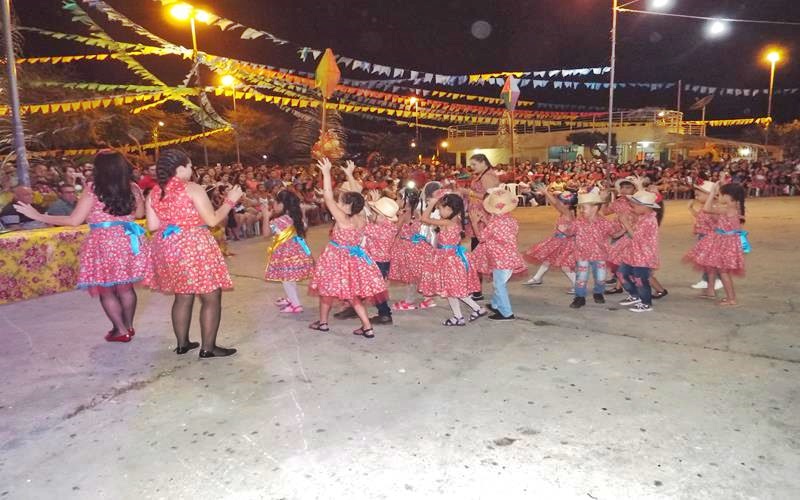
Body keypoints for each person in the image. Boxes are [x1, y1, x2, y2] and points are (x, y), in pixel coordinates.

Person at [14, 151, 149, 342]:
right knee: (126, 289)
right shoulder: (132, 187)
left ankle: (120, 330)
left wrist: (40, 216)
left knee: (107, 289)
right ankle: (128, 326)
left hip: (103, 242)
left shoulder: (93, 189)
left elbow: (74, 220)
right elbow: (139, 214)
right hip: (127, 240)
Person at [147, 149, 243, 358]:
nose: (191, 170)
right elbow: (212, 220)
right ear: (180, 168)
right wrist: (230, 200)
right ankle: (208, 348)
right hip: (193, 245)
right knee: (211, 296)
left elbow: (153, 225)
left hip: (167, 246)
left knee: (183, 295)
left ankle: (182, 344)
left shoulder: (155, 191)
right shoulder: (192, 188)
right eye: (190, 166)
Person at [308, 158, 387, 338]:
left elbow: (328, 196)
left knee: (326, 291)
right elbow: (357, 195)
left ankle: (323, 323)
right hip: (352, 260)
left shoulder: (343, 219)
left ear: (348, 206)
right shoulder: (361, 217)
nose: (339, 202)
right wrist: (349, 175)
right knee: (352, 295)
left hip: (336, 258)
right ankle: (367, 326)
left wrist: (326, 172)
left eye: (342, 201)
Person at [418, 193, 486, 326]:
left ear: (449, 209)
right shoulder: (457, 219)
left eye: (441, 208)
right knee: (451, 290)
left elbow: (424, 218)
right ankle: (459, 316)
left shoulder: (447, 222)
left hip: (448, 260)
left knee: (454, 290)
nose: (439, 211)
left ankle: (477, 309)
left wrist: (431, 204)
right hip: (452, 258)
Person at [685, 180, 747, 306]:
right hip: (725, 242)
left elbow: (707, 209)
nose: (719, 197)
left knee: (724, 272)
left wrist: (712, 192)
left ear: (729, 197)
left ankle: (731, 298)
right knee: (720, 270)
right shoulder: (735, 207)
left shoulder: (727, 209)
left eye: (721, 195)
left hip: (724, 243)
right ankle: (725, 295)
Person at [470, 189, 526, 321]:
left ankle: (506, 313)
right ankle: (496, 305)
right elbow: (497, 233)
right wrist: (485, 220)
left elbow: (482, 238)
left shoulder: (495, 223)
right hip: (509, 258)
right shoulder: (511, 220)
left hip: (500, 260)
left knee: (499, 285)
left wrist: (474, 223)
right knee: (499, 283)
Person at [262, 189, 315, 314]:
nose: (273, 206)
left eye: (275, 203)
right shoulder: (297, 218)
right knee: (291, 279)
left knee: (286, 280)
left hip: (286, 255)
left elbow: (265, 234)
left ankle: (296, 306)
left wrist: (265, 217)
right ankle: (292, 299)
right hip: (300, 253)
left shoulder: (279, 221)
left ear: (281, 205)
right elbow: (303, 231)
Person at [567, 189, 617, 309]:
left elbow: (613, 233)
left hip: (599, 255)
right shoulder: (578, 222)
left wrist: (625, 228)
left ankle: (598, 293)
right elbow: (570, 232)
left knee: (600, 277)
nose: (581, 210)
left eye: (584, 208)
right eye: (580, 208)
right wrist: (565, 229)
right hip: (582, 254)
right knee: (581, 277)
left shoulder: (604, 222)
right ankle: (580, 297)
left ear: (594, 208)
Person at [389, 188, 436, 311]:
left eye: (399, 198)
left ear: (406, 200)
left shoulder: (405, 213)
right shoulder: (416, 211)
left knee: (411, 276)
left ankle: (409, 301)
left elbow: (395, 230)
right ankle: (428, 299)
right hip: (417, 245)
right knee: (418, 274)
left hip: (407, 247)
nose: (397, 200)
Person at [462, 154, 500, 301]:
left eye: (474, 164)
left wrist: (468, 192)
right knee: (477, 252)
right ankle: (477, 289)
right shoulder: (483, 174)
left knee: (479, 252)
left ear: (483, 162)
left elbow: (488, 197)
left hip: (482, 218)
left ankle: (477, 290)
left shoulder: (488, 176)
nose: (472, 167)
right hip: (478, 217)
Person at [616, 190, 661, 313]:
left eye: (634, 205)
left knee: (640, 279)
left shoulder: (649, 221)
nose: (632, 207)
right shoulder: (643, 217)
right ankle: (635, 295)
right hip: (633, 253)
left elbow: (637, 237)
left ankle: (646, 303)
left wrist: (625, 223)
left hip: (643, 256)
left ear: (644, 207)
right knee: (621, 273)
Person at [523, 189, 577, 290]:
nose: (558, 202)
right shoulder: (567, 211)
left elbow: (555, 203)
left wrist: (546, 192)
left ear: (566, 204)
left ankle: (577, 284)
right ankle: (537, 278)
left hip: (564, 242)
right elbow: (556, 203)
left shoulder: (567, 212)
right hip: (558, 241)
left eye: (561, 200)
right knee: (548, 259)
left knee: (565, 265)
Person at [364, 196, 400, 325]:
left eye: (375, 213)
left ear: (381, 217)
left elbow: (362, 224)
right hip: (382, 262)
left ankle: (385, 314)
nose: (372, 216)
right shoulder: (389, 227)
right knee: (376, 287)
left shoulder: (379, 230)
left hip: (377, 263)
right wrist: (371, 204)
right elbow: (371, 220)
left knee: (377, 289)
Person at [688, 180, 723, 291]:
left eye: (698, 195)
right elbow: (699, 216)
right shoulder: (704, 207)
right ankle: (705, 280)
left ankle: (717, 280)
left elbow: (718, 223)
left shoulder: (714, 207)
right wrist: (691, 209)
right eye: (696, 195)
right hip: (702, 236)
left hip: (710, 238)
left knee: (711, 261)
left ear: (710, 195)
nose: (696, 197)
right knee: (704, 260)